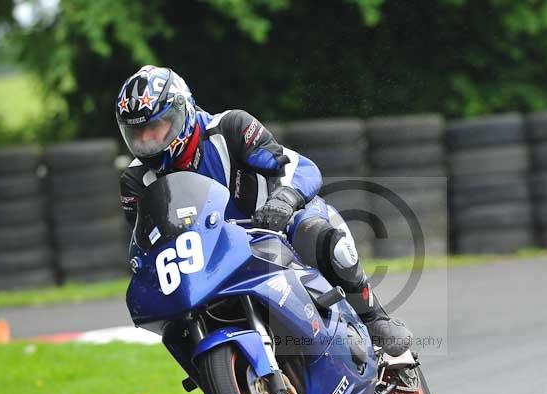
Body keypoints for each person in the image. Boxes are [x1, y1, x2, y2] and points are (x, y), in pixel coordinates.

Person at [116, 65, 412, 358]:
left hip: (274, 229)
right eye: (138, 134)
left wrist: (284, 199)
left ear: (183, 111)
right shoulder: (135, 181)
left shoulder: (230, 128)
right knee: (175, 323)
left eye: (156, 128)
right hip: (213, 260)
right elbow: (147, 243)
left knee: (317, 234)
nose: (148, 142)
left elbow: (300, 167)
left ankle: (374, 317)